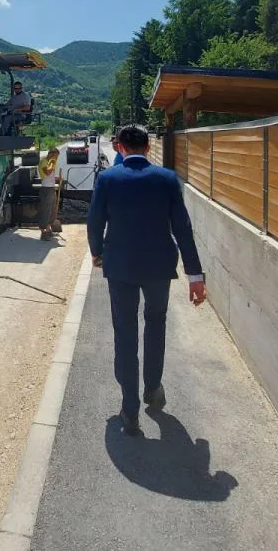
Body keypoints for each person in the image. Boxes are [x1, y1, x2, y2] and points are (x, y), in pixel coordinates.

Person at [87, 125, 207, 436]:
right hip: (158, 267)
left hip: (120, 266)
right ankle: (153, 388)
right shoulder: (166, 178)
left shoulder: (108, 179)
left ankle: (129, 409)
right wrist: (195, 275)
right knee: (156, 322)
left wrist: (97, 253)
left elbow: (95, 220)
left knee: (125, 331)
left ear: (120, 148)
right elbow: (182, 227)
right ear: (147, 147)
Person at [37, 147, 61, 240]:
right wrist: (52, 163)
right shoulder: (44, 162)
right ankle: (43, 232)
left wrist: (57, 178)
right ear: (51, 154)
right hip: (46, 189)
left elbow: (50, 176)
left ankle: (48, 229)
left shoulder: (50, 163)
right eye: (56, 156)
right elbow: (47, 172)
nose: (56, 159)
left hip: (51, 188)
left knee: (52, 210)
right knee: (46, 211)